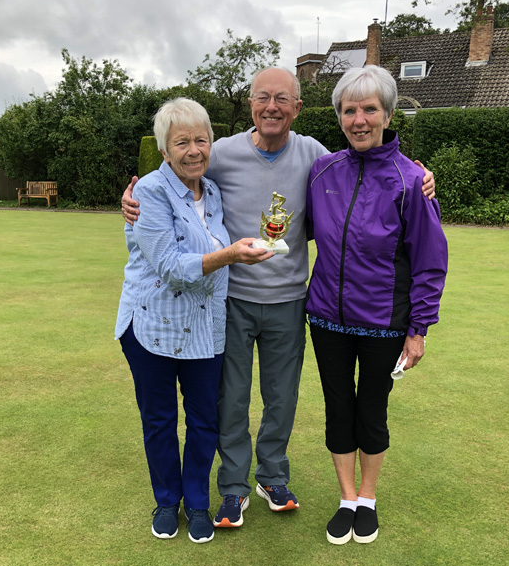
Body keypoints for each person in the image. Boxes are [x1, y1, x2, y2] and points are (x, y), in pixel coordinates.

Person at [122, 67, 436, 532]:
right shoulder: (221, 153)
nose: (272, 107)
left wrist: (422, 176)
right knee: (231, 400)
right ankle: (232, 487)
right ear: (250, 103)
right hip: (229, 299)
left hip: (290, 300)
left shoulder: (315, 154)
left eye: (283, 99)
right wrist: (133, 196)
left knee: (281, 398)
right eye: (262, 97)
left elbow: (364, 168)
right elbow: (175, 172)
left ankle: (272, 477)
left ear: (297, 108)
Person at [115, 98, 271, 543]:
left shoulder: (214, 190)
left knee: (205, 420)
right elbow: (170, 265)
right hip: (152, 325)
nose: (193, 150)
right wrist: (232, 255)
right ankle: (167, 501)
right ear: (164, 149)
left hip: (205, 328)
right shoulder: (147, 191)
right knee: (160, 420)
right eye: (181, 142)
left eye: (201, 139)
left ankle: (197, 502)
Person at [305, 65, 448, 546]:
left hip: (386, 323)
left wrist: (419, 329)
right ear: (340, 117)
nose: (359, 119)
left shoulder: (412, 181)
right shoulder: (322, 171)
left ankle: (367, 497)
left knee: (371, 411)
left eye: (369, 109)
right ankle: (346, 498)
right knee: (337, 407)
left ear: (387, 114)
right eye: (350, 109)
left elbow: (429, 262)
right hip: (326, 317)